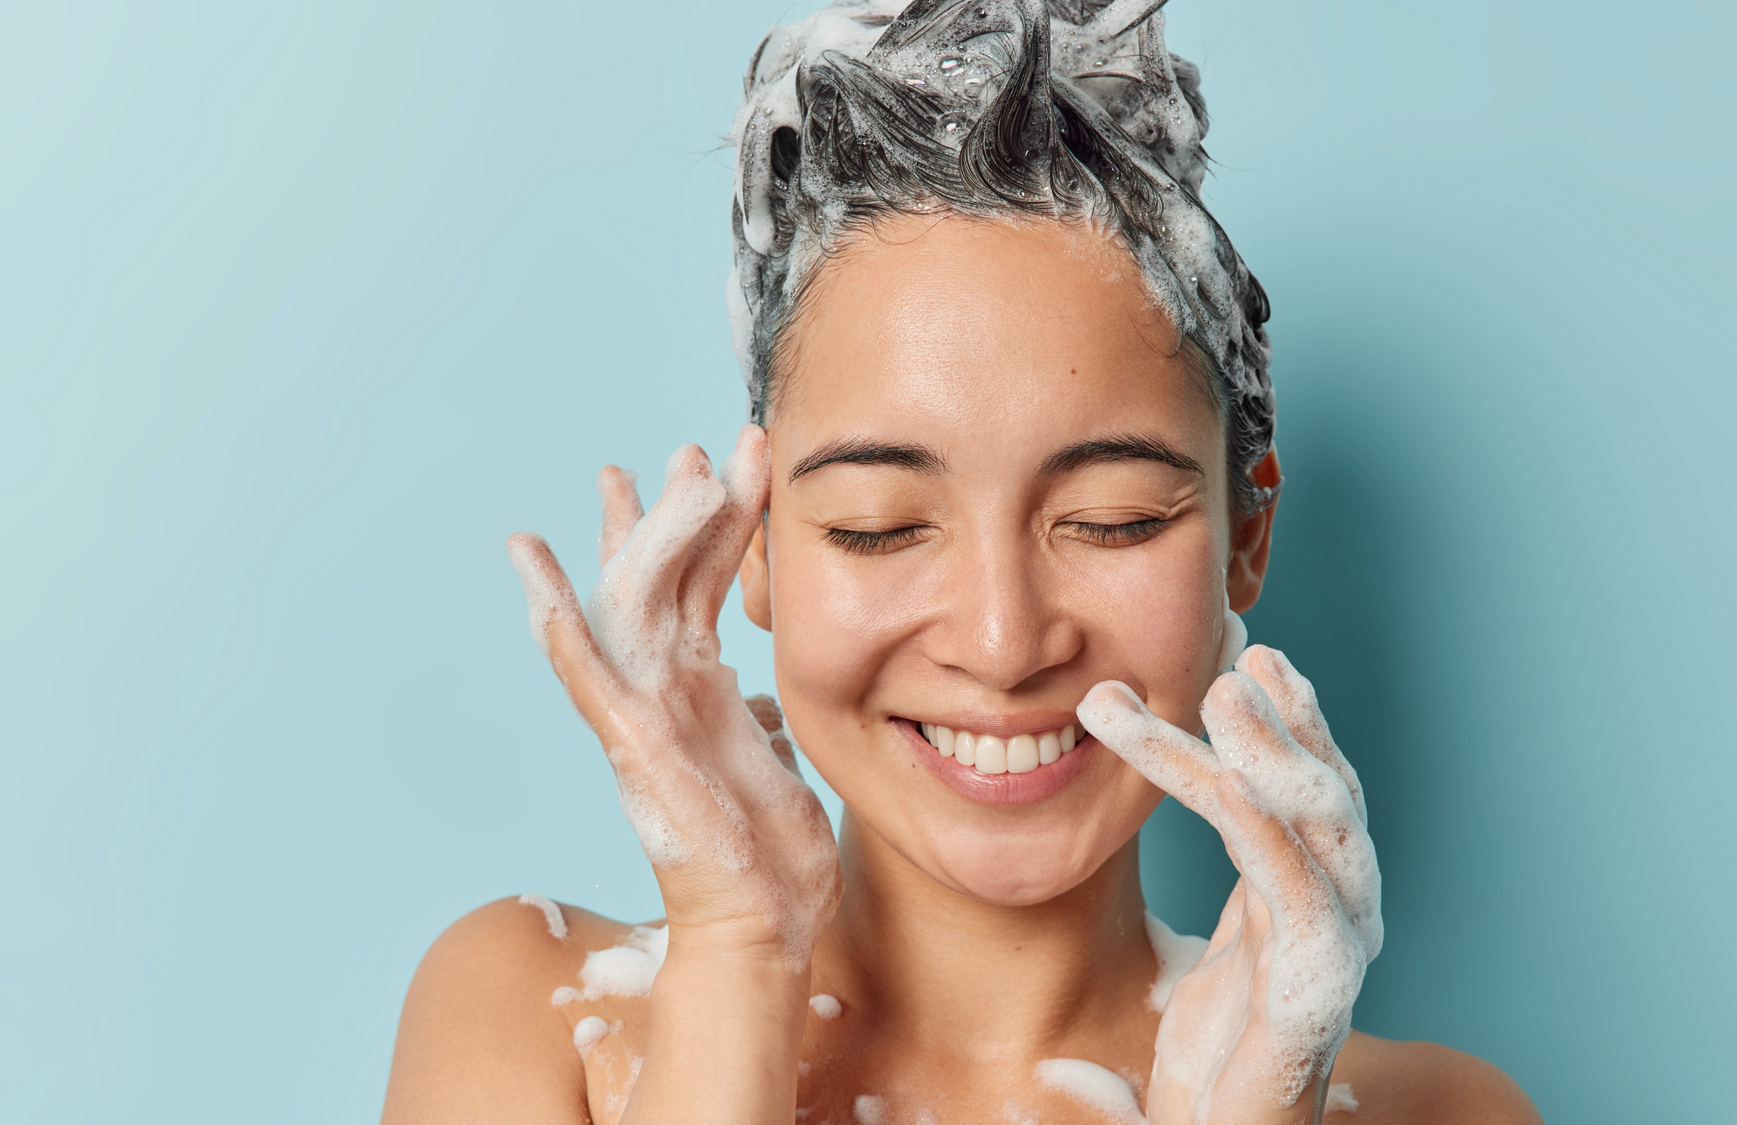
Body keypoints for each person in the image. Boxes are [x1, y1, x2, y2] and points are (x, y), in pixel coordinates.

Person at [382, 1, 1541, 1121]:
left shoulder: (1439, 1116)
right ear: (757, 547)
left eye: (1111, 519)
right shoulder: (535, 1019)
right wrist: (736, 960)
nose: (1001, 643)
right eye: (878, 524)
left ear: (1245, 537)